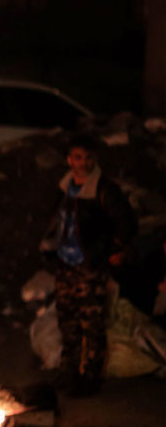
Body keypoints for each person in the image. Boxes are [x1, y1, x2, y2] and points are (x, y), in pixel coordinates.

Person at [41, 135, 136, 395]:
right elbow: (56, 220)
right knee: (67, 320)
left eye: (88, 157)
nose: (83, 163)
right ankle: (68, 372)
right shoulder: (64, 189)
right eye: (78, 157)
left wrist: (114, 250)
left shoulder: (104, 191)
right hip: (65, 263)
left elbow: (127, 223)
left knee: (91, 323)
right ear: (70, 159)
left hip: (89, 265)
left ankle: (90, 378)